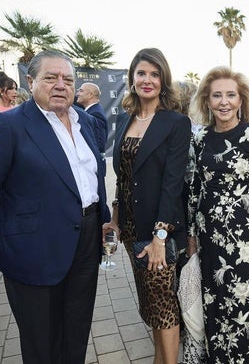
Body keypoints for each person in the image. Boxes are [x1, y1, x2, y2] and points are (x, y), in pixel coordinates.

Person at [0, 51, 110, 364]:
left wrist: (102, 220)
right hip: (33, 248)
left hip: (85, 240)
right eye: (50, 77)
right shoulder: (9, 125)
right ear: (30, 82)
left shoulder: (84, 120)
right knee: (41, 340)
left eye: (68, 79)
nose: (61, 85)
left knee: (76, 327)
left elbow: (92, 175)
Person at [103, 48, 190, 364]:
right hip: (129, 230)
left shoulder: (175, 123)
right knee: (152, 305)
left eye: (155, 74)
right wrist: (114, 220)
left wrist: (160, 239)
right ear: (132, 78)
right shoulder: (126, 119)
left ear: (163, 80)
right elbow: (123, 177)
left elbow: (172, 185)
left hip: (157, 234)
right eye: (141, 73)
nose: (147, 80)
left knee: (165, 307)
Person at [187, 66, 249, 363]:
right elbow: (194, 188)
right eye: (217, 95)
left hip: (244, 244)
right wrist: (191, 235)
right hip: (207, 240)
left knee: (241, 315)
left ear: (242, 100)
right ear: (207, 100)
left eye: (231, 95)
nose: (224, 102)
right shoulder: (200, 138)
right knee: (212, 311)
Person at [76, 82, 107, 166]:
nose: (77, 94)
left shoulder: (96, 113)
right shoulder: (92, 111)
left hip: (93, 165)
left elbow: (98, 144)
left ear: (90, 95)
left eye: (81, 91)